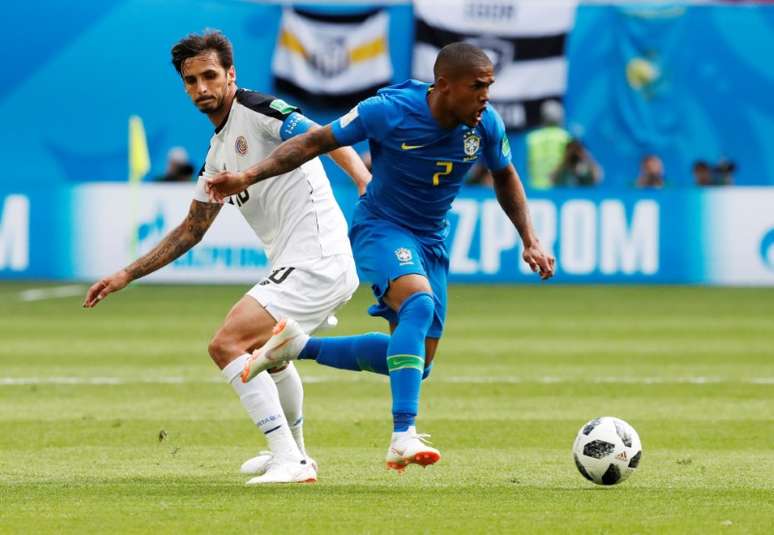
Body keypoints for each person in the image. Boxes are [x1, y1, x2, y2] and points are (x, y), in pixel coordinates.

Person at [206, 42, 555, 471]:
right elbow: (314, 141)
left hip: (431, 241)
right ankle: (402, 435)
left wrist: (530, 238)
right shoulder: (388, 110)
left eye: (490, 86)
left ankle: (296, 345)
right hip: (381, 228)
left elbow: (505, 175)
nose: (486, 95)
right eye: (477, 86)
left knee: (415, 363)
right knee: (419, 304)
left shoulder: (485, 124)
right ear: (443, 85)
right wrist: (248, 174)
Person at [82, 31, 370, 484]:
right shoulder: (216, 155)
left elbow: (323, 136)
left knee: (226, 345)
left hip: (318, 258)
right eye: (191, 80)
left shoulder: (256, 110)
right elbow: (191, 231)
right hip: (298, 262)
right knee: (268, 356)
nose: (202, 87)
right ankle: (297, 454)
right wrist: (125, 274)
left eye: (210, 76)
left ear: (231, 75)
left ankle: (287, 459)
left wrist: (362, 179)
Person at [526, 100, 570, 190]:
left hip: (535, 189)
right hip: (558, 190)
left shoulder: (532, 138)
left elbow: (528, 165)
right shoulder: (565, 137)